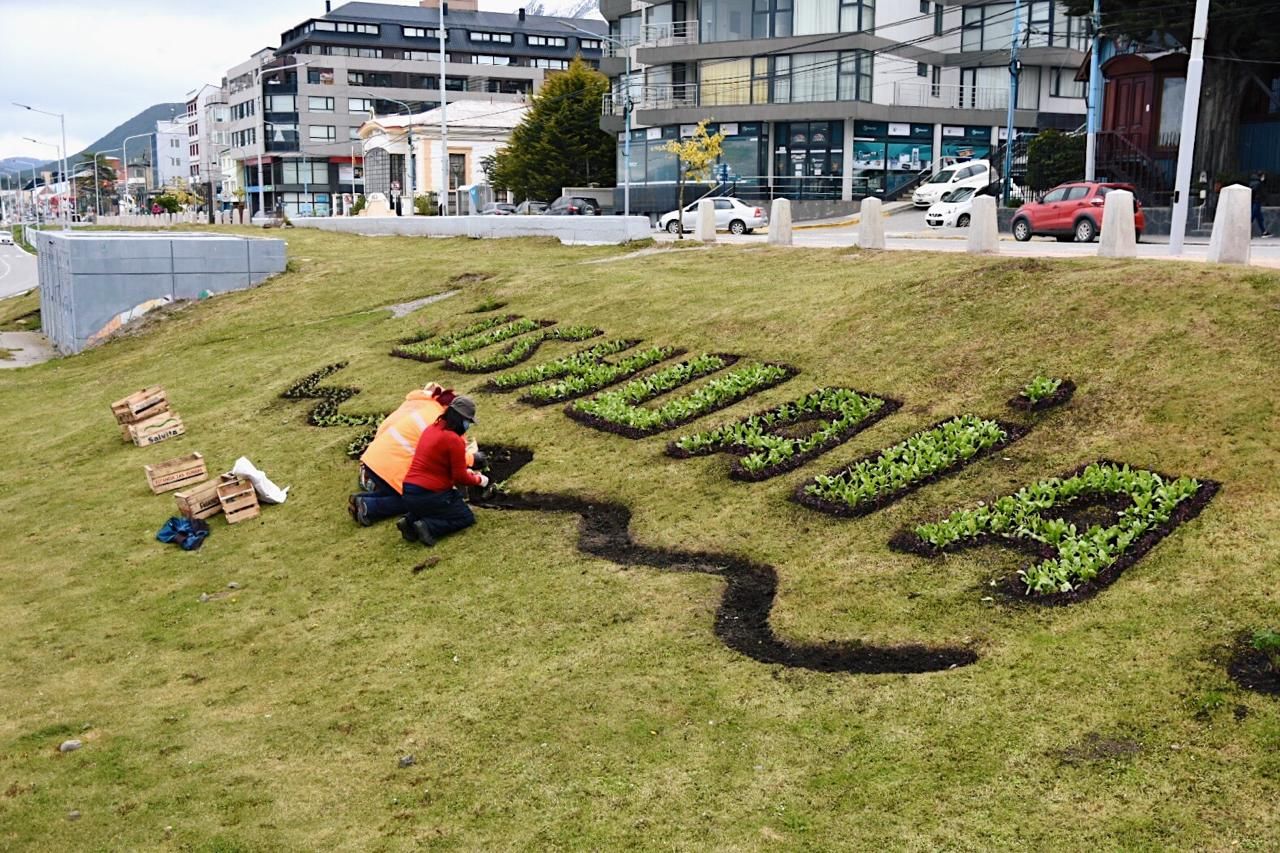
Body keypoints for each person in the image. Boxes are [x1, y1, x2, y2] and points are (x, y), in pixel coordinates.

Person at [350, 382, 475, 525]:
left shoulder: (422, 407)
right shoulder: (435, 419)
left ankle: (362, 500)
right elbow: (449, 451)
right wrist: (471, 459)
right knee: (419, 500)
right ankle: (369, 508)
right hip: (390, 465)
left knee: (403, 492)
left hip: (374, 459)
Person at [397, 396, 489, 546]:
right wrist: (479, 480)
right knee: (465, 517)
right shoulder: (453, 439)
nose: (468, 426)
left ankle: (409, 521)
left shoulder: (431, 429)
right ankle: (428, 527)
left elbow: (441, 466)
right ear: (461, 419)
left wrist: (467, 474)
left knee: (432, 508)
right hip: (430, 494)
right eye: (469, 422)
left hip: (409, 492)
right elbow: (460, 478)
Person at [1249, 172, 1271, 238]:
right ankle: (1247, 232)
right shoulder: (1259, 183)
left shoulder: (1252, 182)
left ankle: (1264, 232)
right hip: (1257, 201)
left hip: (1254, 201)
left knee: (1259, 218)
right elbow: (1261, 193)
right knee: (1252, 217)